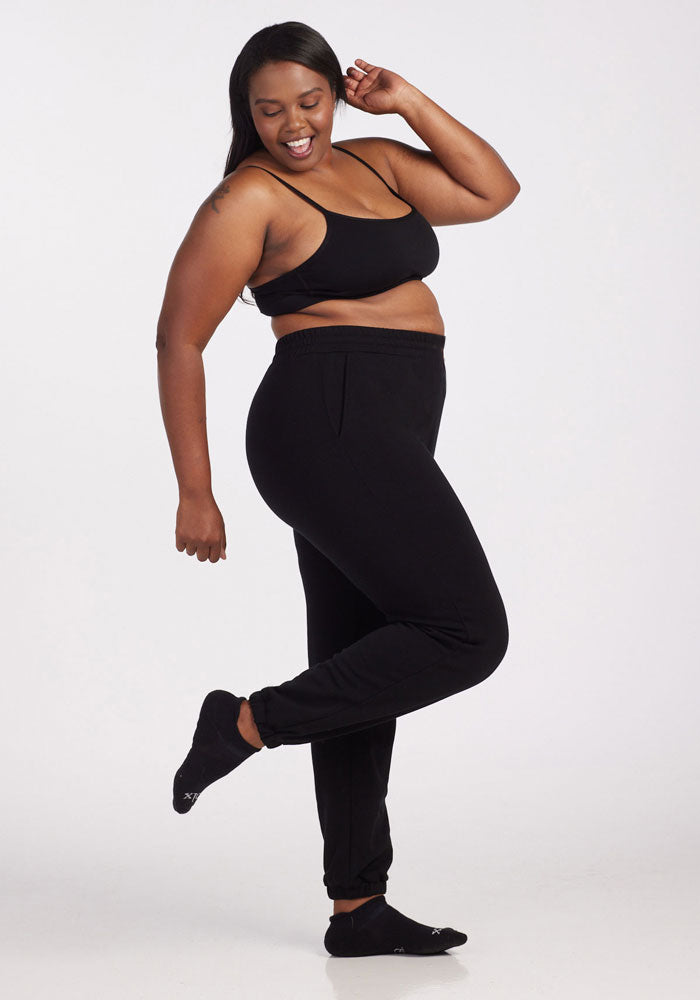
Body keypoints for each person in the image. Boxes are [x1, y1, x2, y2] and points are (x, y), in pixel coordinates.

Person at [156, 21, 520, 958]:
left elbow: (493, 190)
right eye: (268, 109)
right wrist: (196, 490)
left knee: (363, 662)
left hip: (388, 425)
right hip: (325, 424)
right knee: (466, 632)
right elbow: (178, 340)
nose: (292, 125)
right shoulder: (247, 198)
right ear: (246, 114)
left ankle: (357, 908)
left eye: (309, 101)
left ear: (336, 93)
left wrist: (408, 102)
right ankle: (244, 721)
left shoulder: (377, 161)